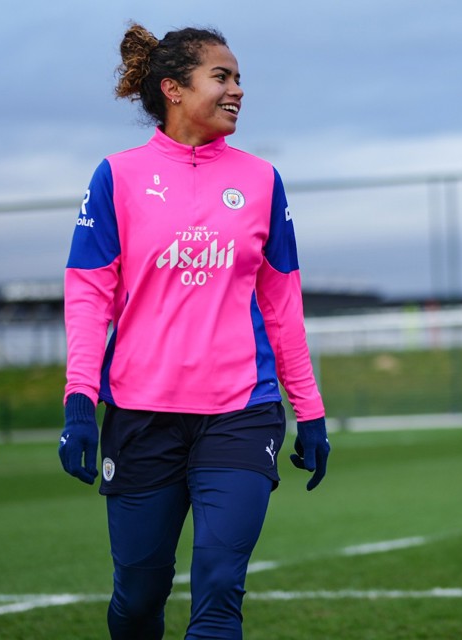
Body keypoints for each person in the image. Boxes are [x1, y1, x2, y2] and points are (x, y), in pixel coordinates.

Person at [58, 23, 330, 639]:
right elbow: (88, 294)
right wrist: (80, 401)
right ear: (174, 89)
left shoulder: (262, 180)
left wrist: (309, 411)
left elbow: (283, 304)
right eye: (222, 77)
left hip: (241, 412)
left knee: (218, 593)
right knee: (137, 599)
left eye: (239, 79)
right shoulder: (117, 177)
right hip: (139, 414)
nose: (238, 90)